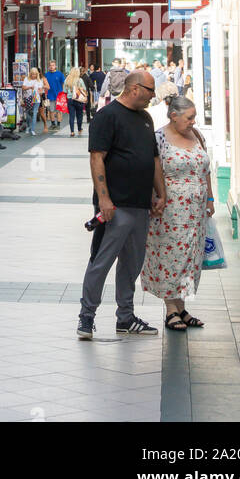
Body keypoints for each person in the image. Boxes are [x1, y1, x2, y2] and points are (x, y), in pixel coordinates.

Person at [77, 70, 166, 340]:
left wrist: (160, 193)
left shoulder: (146, 119)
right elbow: (97, 159)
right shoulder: (107, 116)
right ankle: (86, 317)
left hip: (140, 205)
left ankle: (125, 317)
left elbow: (153, 160)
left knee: (132, 263)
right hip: (114, 207)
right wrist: (103, 198)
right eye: (150, 90)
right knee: (101, 261)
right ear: (134, 88)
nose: (153, 95)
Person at [141, 96, 214, 331]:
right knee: (170, 258)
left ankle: (181, 307)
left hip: (196, 212)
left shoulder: (197, 135)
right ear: (174, 116)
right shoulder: (159, 138)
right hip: (171, 210)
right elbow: (153, 170)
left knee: (190, 258)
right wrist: (158, 197)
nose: (193, 122)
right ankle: (171, 309)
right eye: (189, 117)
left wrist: (210, 198)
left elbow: (206, 170)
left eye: (194, 117)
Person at [64, 66, 87, 138]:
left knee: (71, 116)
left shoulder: (67, 80)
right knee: (79, 115)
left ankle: (72, 131)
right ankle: (79, 129)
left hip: (70, 100)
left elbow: (64, 91)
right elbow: (84, 89)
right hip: (78, 99)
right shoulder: (80, 80)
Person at [45, 59, 65, 132]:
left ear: (55, 66)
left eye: (53, 65)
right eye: (50, 65)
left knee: (59, 111)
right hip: (50, 95)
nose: (51, 67)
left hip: (59, 95)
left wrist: (63, 93)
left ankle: (58, 125)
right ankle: (53, 124)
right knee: (51, 110)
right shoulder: (46, 75)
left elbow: (63, 83)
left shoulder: (60, 74)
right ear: (48, 66)